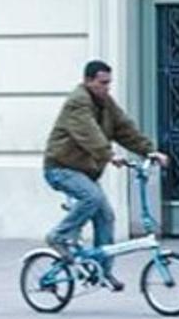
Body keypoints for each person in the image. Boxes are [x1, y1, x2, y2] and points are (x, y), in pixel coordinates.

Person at [43, 60, 169, 291]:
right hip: (60, 168)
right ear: (88, 81)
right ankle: (59, 236)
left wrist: (149, 150)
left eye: (109, 83)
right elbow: (87, 132)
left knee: (106, 217)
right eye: (102, 83)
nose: (106, 87)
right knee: (92, 198)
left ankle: (101, 270)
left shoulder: (105, 103)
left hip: (83, 171)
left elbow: (124, 128)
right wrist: (109, 155)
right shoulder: (77, 103)